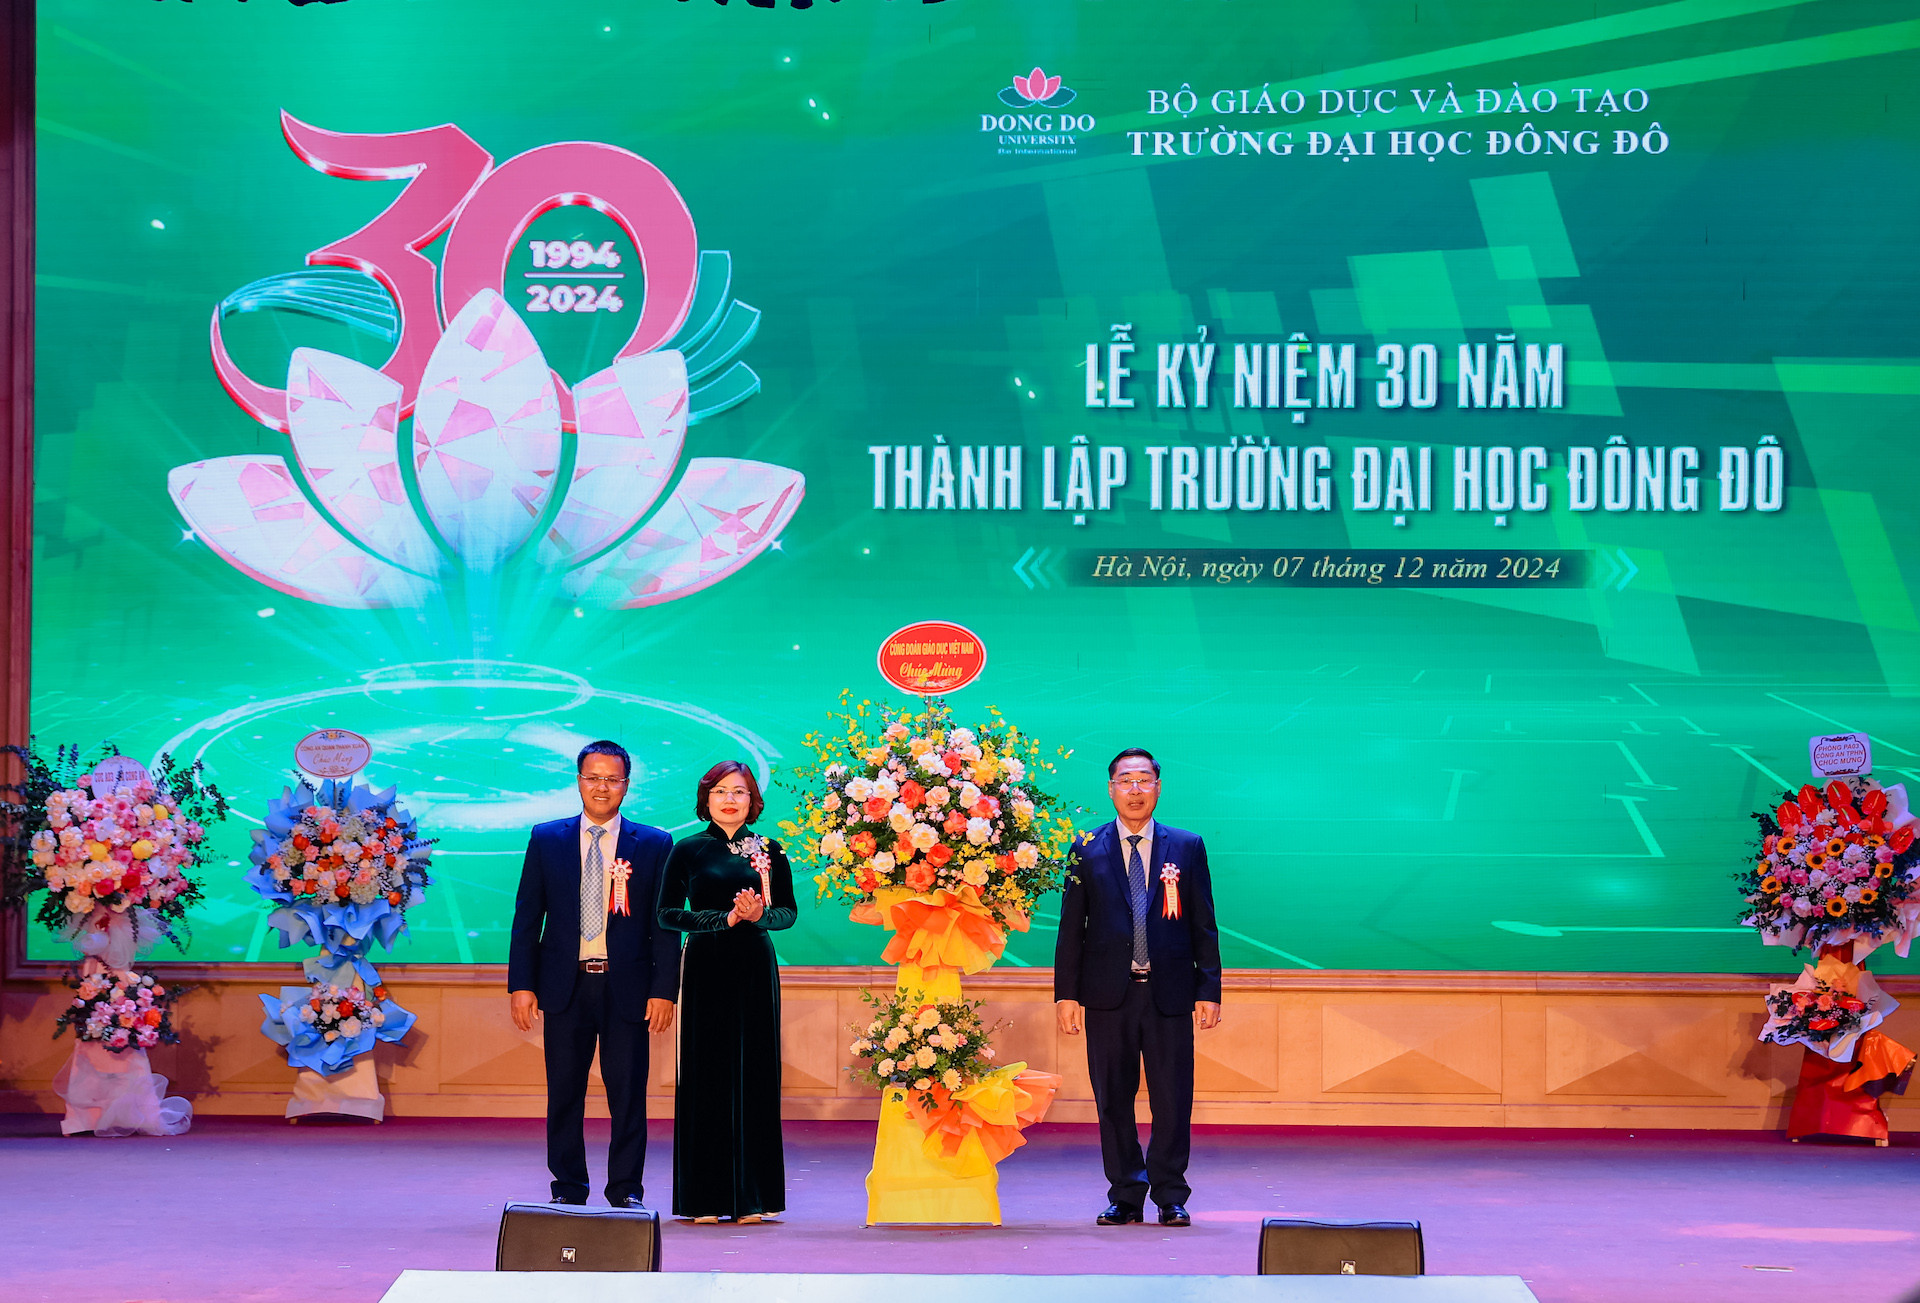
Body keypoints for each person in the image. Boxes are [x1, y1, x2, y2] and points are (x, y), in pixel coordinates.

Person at [1054, 746, 1222, 1228]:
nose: (1135, 789)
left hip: (1170, 994)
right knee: (1112, 1099)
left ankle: (1170, 1194)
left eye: (1144, 780)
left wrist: (1208, 989)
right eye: (1125, 780)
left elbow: (1203, 924)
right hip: (1108, 995)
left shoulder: (1186, 846)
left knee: (1173, 1098)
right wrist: (1067, 994)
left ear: (1158, 788)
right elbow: (1072, 928)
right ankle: (1126, 1194)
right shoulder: (1086, 845)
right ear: (1111, 789)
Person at [508, 740, 680, 1207]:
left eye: (612, 779)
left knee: (628, 1095)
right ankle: (568, 1188)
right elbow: (528, 918)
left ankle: (625, 1191)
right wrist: (522, 985)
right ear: (579, 781)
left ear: (626, 785)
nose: (602, 787)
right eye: (593, 777)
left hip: (628, 989)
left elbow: (664, 926)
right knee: (564, 1093)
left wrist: (664, 990)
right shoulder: (547, 838)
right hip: (564, 987)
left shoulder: (654, 844)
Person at [656, 761, 795, 1223]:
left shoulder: (770, 849)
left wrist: (757, 916)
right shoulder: (687, 849)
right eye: (720, 791)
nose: (729, 799)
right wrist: (725, 918)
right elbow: (667, 914)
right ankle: (705, 1199)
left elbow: (787, 913)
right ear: (706, 799)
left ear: (752, 799)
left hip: (755, 966)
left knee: (755, 1075)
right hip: (705, 965)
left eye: (739, 791)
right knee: (706, 1074)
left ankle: (751, 1198)